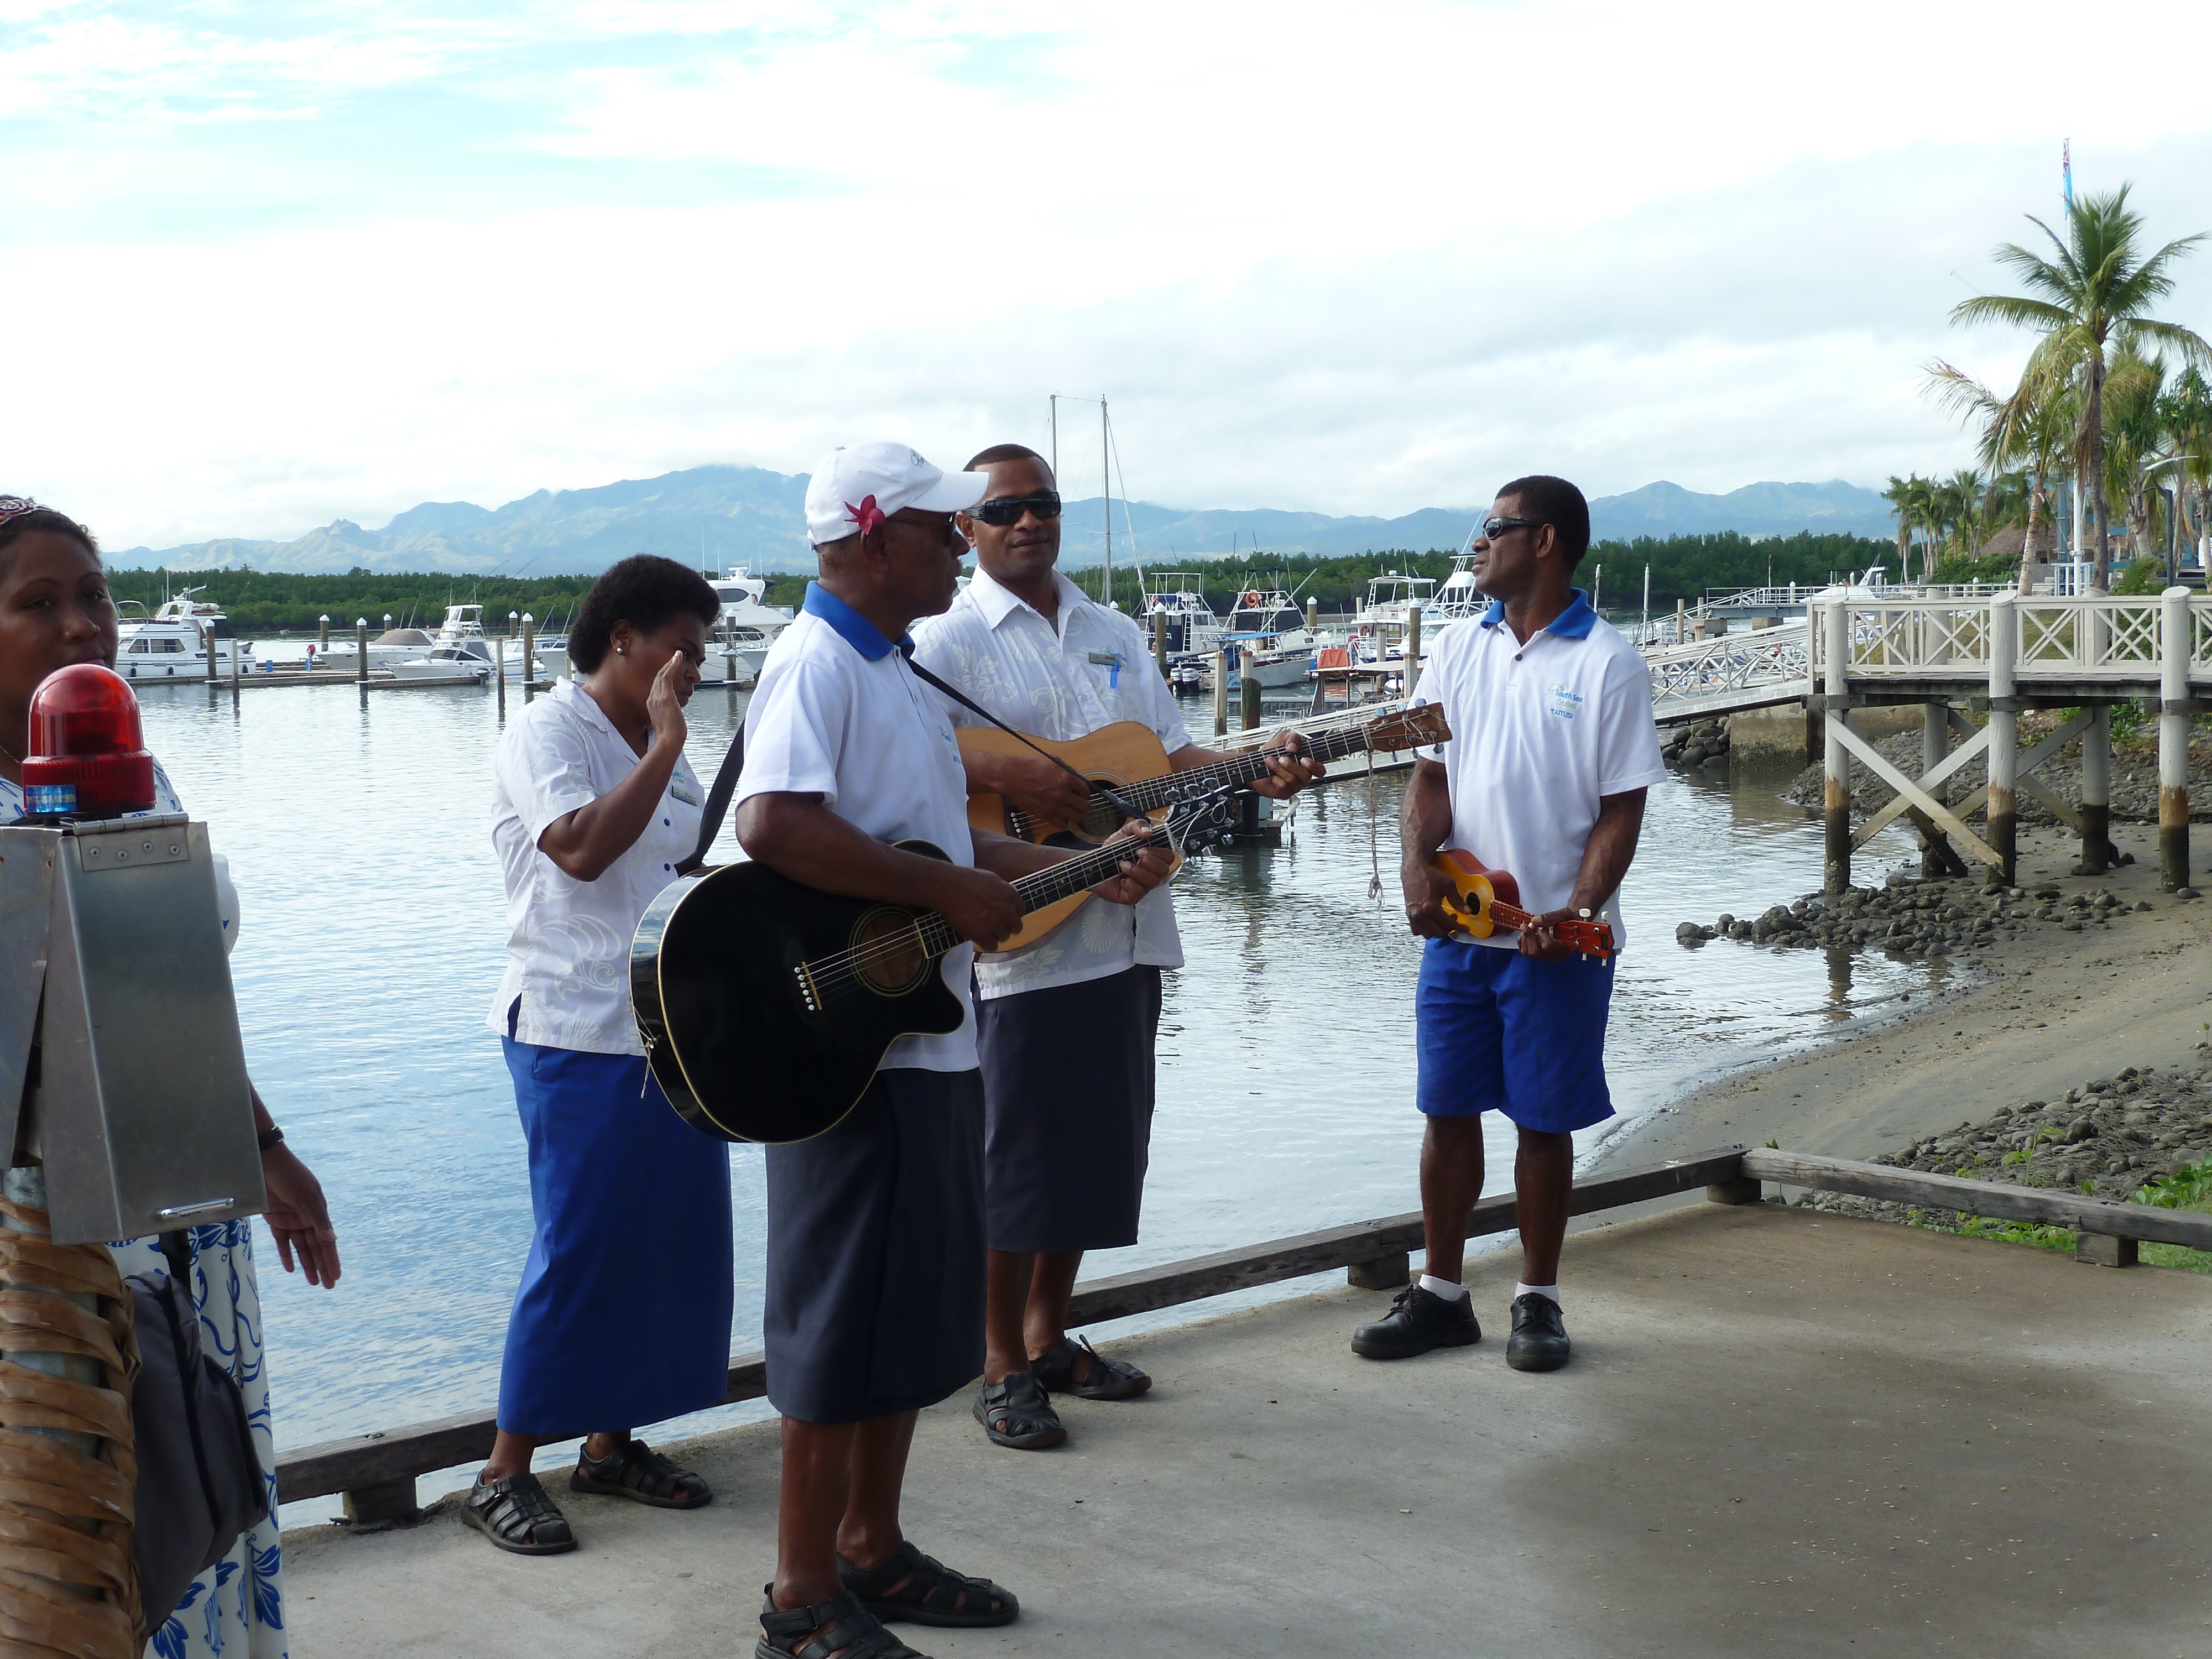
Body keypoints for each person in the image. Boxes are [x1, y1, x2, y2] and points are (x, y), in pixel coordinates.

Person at [734, 443, 1172, 1659]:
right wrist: (945, 885)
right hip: (851, 1055)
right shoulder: (816, 662)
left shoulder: (898, 673)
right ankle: (798, 1598)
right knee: (835, 1323)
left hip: (924, 1040)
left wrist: (1085, 867)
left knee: (906, 1320)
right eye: (941, 528)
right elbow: (772, 825)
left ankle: (870, 1548)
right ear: (875, 538)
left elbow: (946, 856)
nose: (957, 544)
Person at [910, 445, 1323, 1452]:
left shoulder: (1114, 633)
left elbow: (1169, 759)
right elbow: (911, 749)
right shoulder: (940, 640)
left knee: (1097, 1151)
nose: (1027, 522)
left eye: (1043, 504)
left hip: (1128, 931)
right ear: (965, 527)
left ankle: (1050, 1333)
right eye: (1003, 509)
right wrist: (1027, 774)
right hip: (1026, 940)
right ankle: (998, 1358)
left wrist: (1251, 769)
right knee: (1017, 1159)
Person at [0, 495, 342, 1657]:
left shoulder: (141, 783)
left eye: (91, 595)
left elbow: (178, 995)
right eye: (35, 603)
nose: (79, 627)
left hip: (189, 1213)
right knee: (76, 1527)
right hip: (50, 1246)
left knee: (198, 1489)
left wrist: (264, 1144)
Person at [1352, 475, 1665, 1372]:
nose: (1481, 541)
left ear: (1548, 542)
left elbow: (1621, 810)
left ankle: (1539, 1299)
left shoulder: (1608, 662)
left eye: (1499, 527)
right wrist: (1417, 864)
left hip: (1553, 943)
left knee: (1541, 1120)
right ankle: (1443, 1295)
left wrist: (1576, 910)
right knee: (1446, 1110)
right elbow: (1431, 777)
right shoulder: (1455, 646)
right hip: (1460, 926)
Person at [468, 554, 734, 1554]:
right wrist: (665, 744)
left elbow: (694, 863)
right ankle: (502, 1472)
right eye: (684, 644)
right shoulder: (549, 730)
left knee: (668, 1244)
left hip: (670, 1031)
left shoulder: (661, 743)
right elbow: (579, 848)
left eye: (704, 650)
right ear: (623, 635)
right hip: (574, 1029)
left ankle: (610, 1446)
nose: (695, 665)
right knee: (580, 1248)